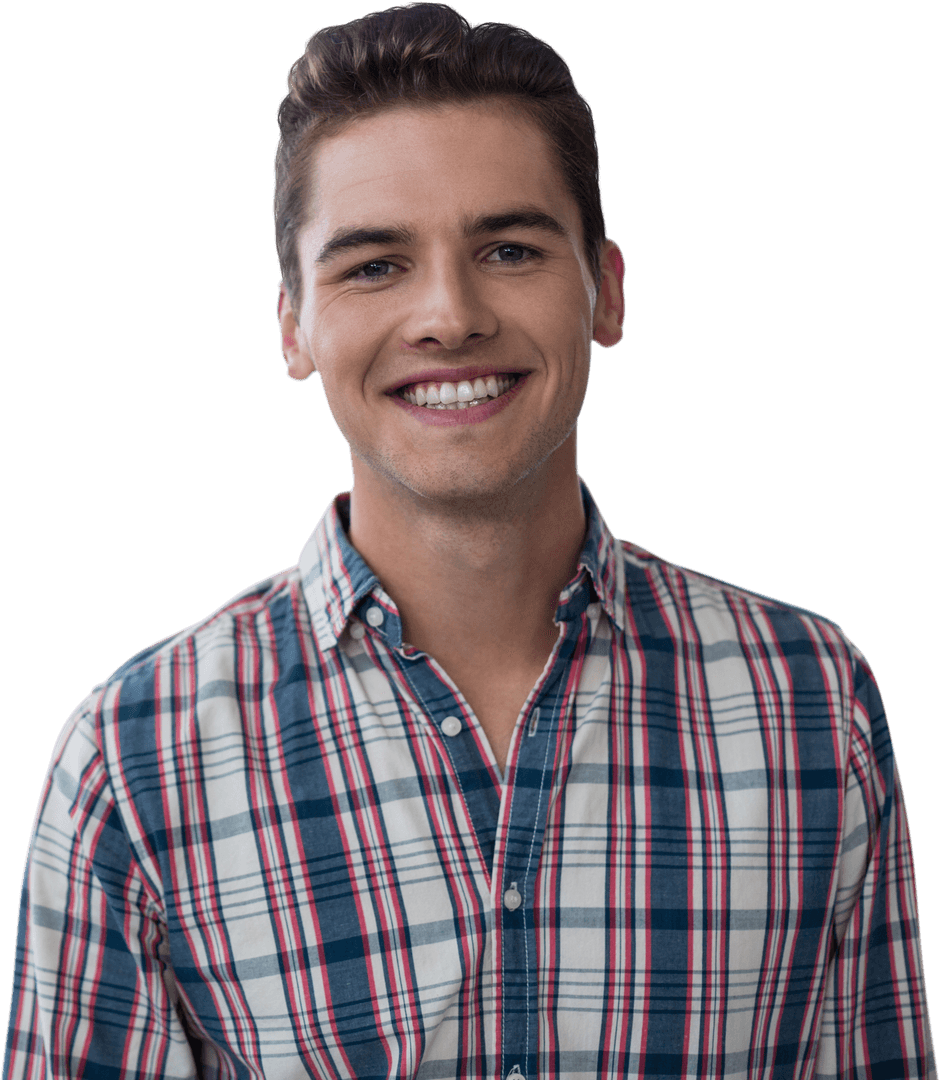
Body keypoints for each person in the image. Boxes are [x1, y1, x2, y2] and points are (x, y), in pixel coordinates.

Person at [3, 4, 934, 1078]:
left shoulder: (814, 706)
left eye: (507, 247)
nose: (449, 315)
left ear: (607, 290)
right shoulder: (131, 762)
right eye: (373, 266)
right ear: (292, 326)